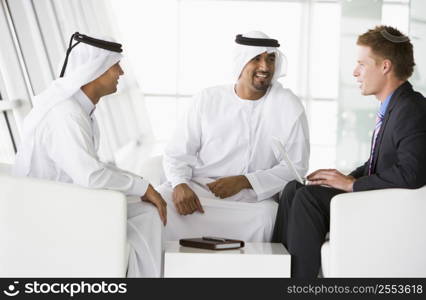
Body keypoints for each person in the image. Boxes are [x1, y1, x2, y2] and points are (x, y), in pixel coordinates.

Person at [272, 25, 426, 278]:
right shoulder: (394, 107)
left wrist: (351, 185)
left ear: (385, 66)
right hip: (378, 198)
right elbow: (377, 162)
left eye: (362, 64)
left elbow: (412, 173)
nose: (355, 72)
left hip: (389, 208)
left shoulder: (412, 109)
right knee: (293, 190)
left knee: (308, 199)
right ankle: (279, 274)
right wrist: (340, 176)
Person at [13, 32, 166, 277]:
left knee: (144, 211)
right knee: (148, 215)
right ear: (96, 70)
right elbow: (91, 176)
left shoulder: (79, 111)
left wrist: (141, 186)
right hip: (49, 210)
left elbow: (92, 167)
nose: (121, 73)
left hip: (64, 200)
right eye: (116, 65)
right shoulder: (66, 114)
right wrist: (143, 188)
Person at [159, 31, 310, 242]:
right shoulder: (207, 99)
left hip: (252, 201)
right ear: (240, 62)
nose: (265, 67)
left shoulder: (288, 106)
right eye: (256, 58)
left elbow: (296, 169)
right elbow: (177, 153)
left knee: (268, 217)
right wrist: (180, 184)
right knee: (157, 205)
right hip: (200, 193)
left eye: (271, 59)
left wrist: (246, 181)